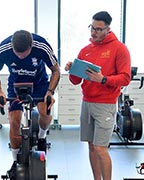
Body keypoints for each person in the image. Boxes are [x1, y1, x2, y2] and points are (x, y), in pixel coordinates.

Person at [64, 11, 131, 180]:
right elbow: (75, 81)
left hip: (105, 105)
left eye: (99, 29)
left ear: (108, 29)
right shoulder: (85, 50)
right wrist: (72, 69)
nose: (94, 32)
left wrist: (104, 79)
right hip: (87, 102)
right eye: (92, 28)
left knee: (101, 148)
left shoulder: (119, 49)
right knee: (92, 146)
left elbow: (125, 78)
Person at [0, 30, 60, 178]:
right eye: (17, 53)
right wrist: (0, 92)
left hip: (39, 84)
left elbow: (55, 70)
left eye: (24, 53)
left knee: (45, 112)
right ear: (12, 46)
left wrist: (50, 92)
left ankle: (42, 136)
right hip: (16, 84)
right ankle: (16, 161)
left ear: (31, 45)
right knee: (14, 123)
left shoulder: (41, 45)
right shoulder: (4, 48)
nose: (21, 56)